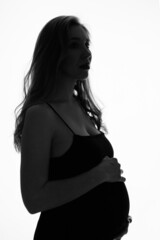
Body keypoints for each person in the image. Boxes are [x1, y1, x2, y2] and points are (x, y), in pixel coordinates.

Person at [13, 16, 132, 240]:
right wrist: (99, 175)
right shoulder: (41, 115)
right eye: (74, 45)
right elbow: (33, 199)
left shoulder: (80, 108)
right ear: (53, 53)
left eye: (87, 44)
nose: (87, 53)